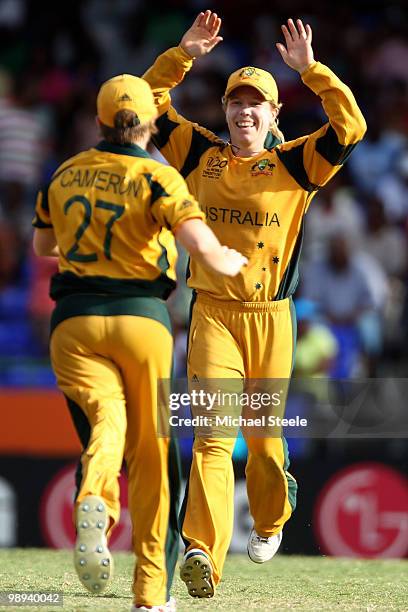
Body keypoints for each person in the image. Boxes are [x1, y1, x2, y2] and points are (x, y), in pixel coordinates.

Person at [143, 10, 367, 599]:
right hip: (213, 313)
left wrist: (312, 71)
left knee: (265, 440)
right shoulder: (201, 156)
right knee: (213, 438)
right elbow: (145, 104)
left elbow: (351, 126)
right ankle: (200, 555)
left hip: (270, 319)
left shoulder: (297, 162)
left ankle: (270, 521)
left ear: (273, 116)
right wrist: (182, 54)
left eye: (256, 104)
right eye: (236, 103)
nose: (244, 112)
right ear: (225, 110)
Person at [32, 73, 247, 612]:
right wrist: (223, 258)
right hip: (141, 320)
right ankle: (151, 598)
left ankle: (95, 501)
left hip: (74, 324)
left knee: (109, 422)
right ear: (149, 121)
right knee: (153, 459)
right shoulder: (158, 175)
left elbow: (43, 245)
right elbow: (195, 237)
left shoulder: (64, 172)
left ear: (99, 120)